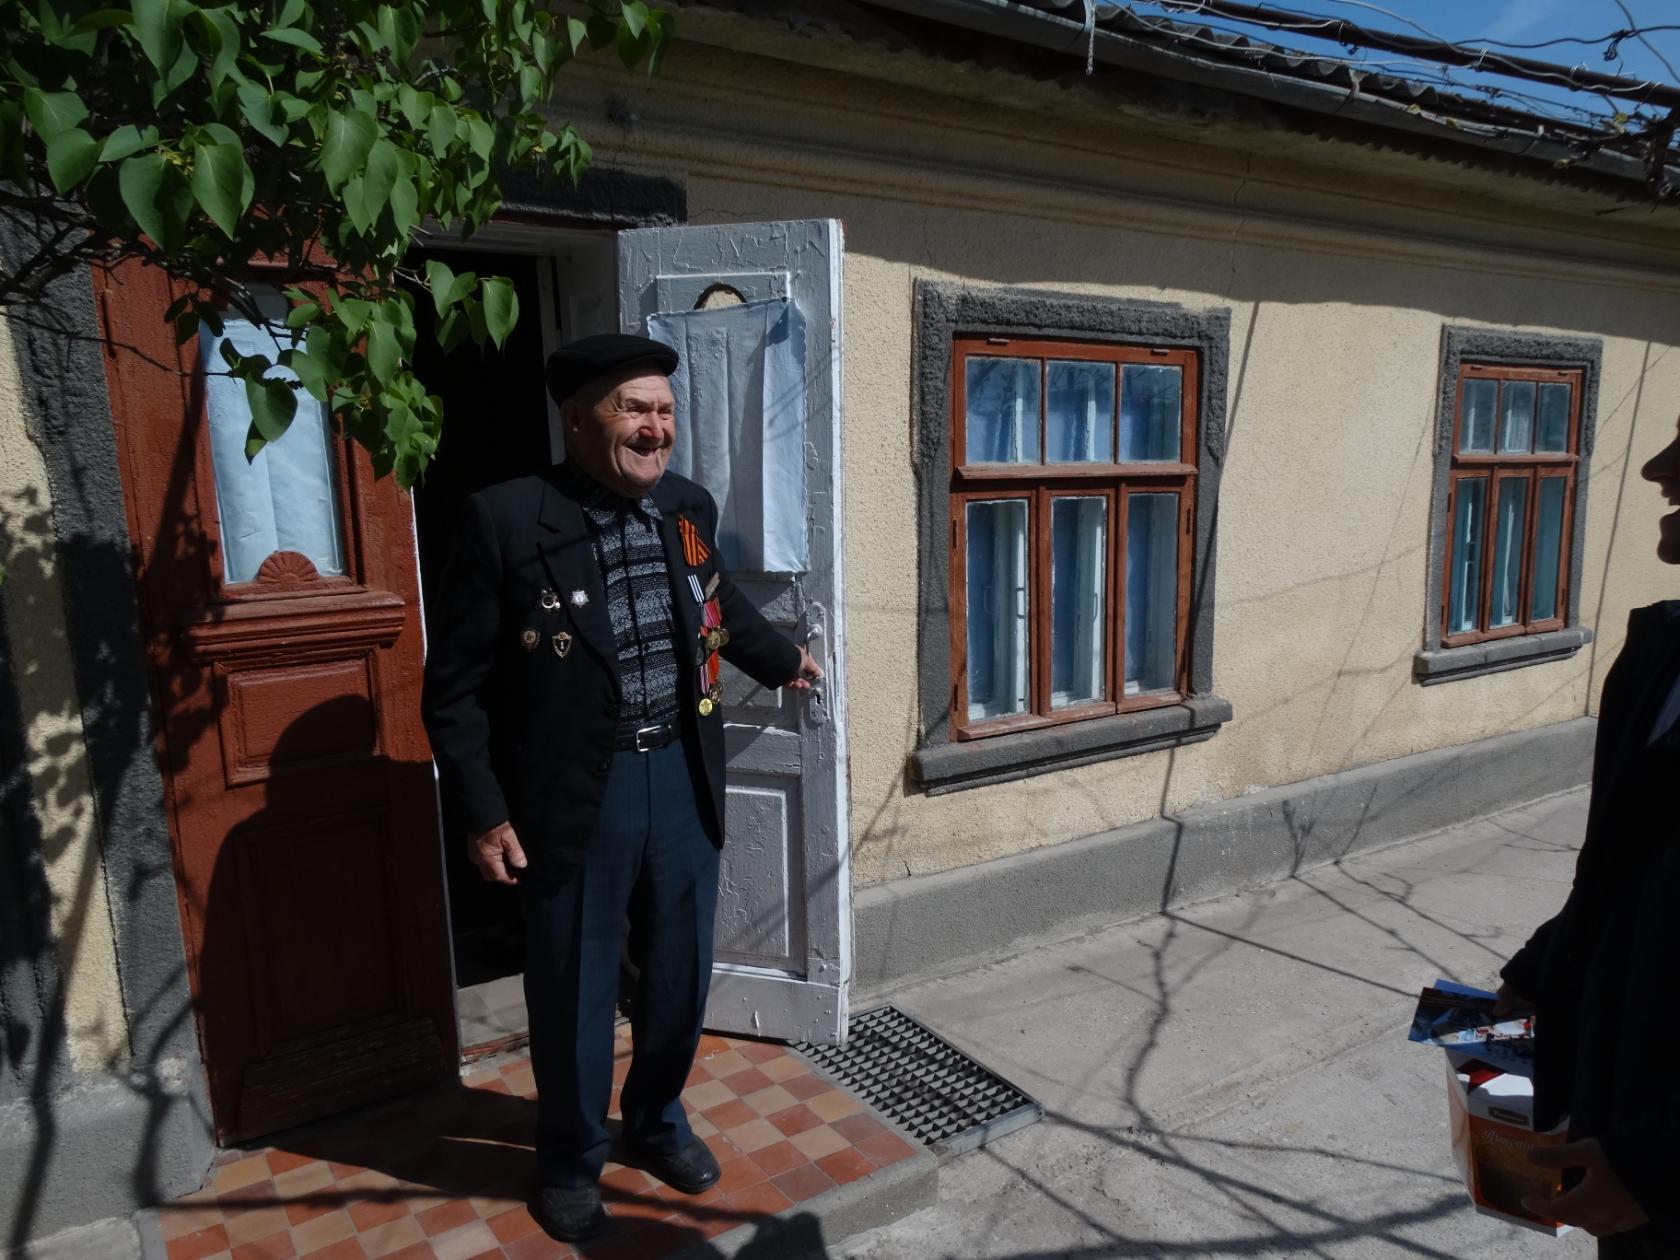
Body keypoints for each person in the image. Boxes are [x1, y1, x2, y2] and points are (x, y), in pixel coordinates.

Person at [422, 333, 821, 1242]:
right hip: (574, 795)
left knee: (678, 976)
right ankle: (569, 1161)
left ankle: (655, 1121)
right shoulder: (506, 519)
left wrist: (782, 658)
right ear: (576, 419)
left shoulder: (686, 507)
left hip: (679, 776)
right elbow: (454, 691)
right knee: (573, 988)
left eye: (665, 411)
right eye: (633, 409)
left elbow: (717, 605)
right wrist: (483, 813)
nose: (655, 429)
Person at [1494, 416, 1680, 1257]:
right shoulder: (1660, 660)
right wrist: (1544, 970)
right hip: (1624, 1138)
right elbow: (1618, 875)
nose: (1657, 468)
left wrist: (1662, 1168)